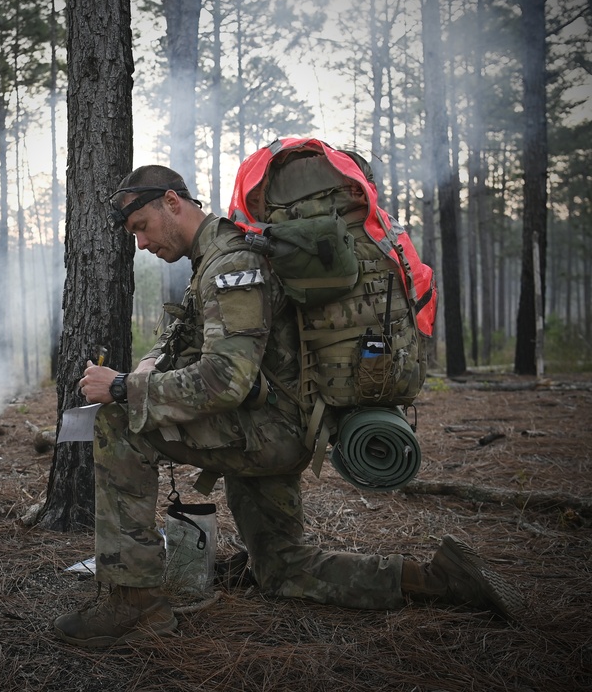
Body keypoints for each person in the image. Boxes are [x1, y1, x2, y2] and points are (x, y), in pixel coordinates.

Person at [52, 165, 524, 648]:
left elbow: (226, 381)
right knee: (283, 569)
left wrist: (121, 390)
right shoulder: (222, 254)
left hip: (266, 433)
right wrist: (147, 368)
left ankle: (135, 603)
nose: (142, 244)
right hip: (280, 426)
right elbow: (195, 344)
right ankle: (437, 579)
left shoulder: (231, 263)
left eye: (140, 228)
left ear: (172, 202)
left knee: (118, 424)